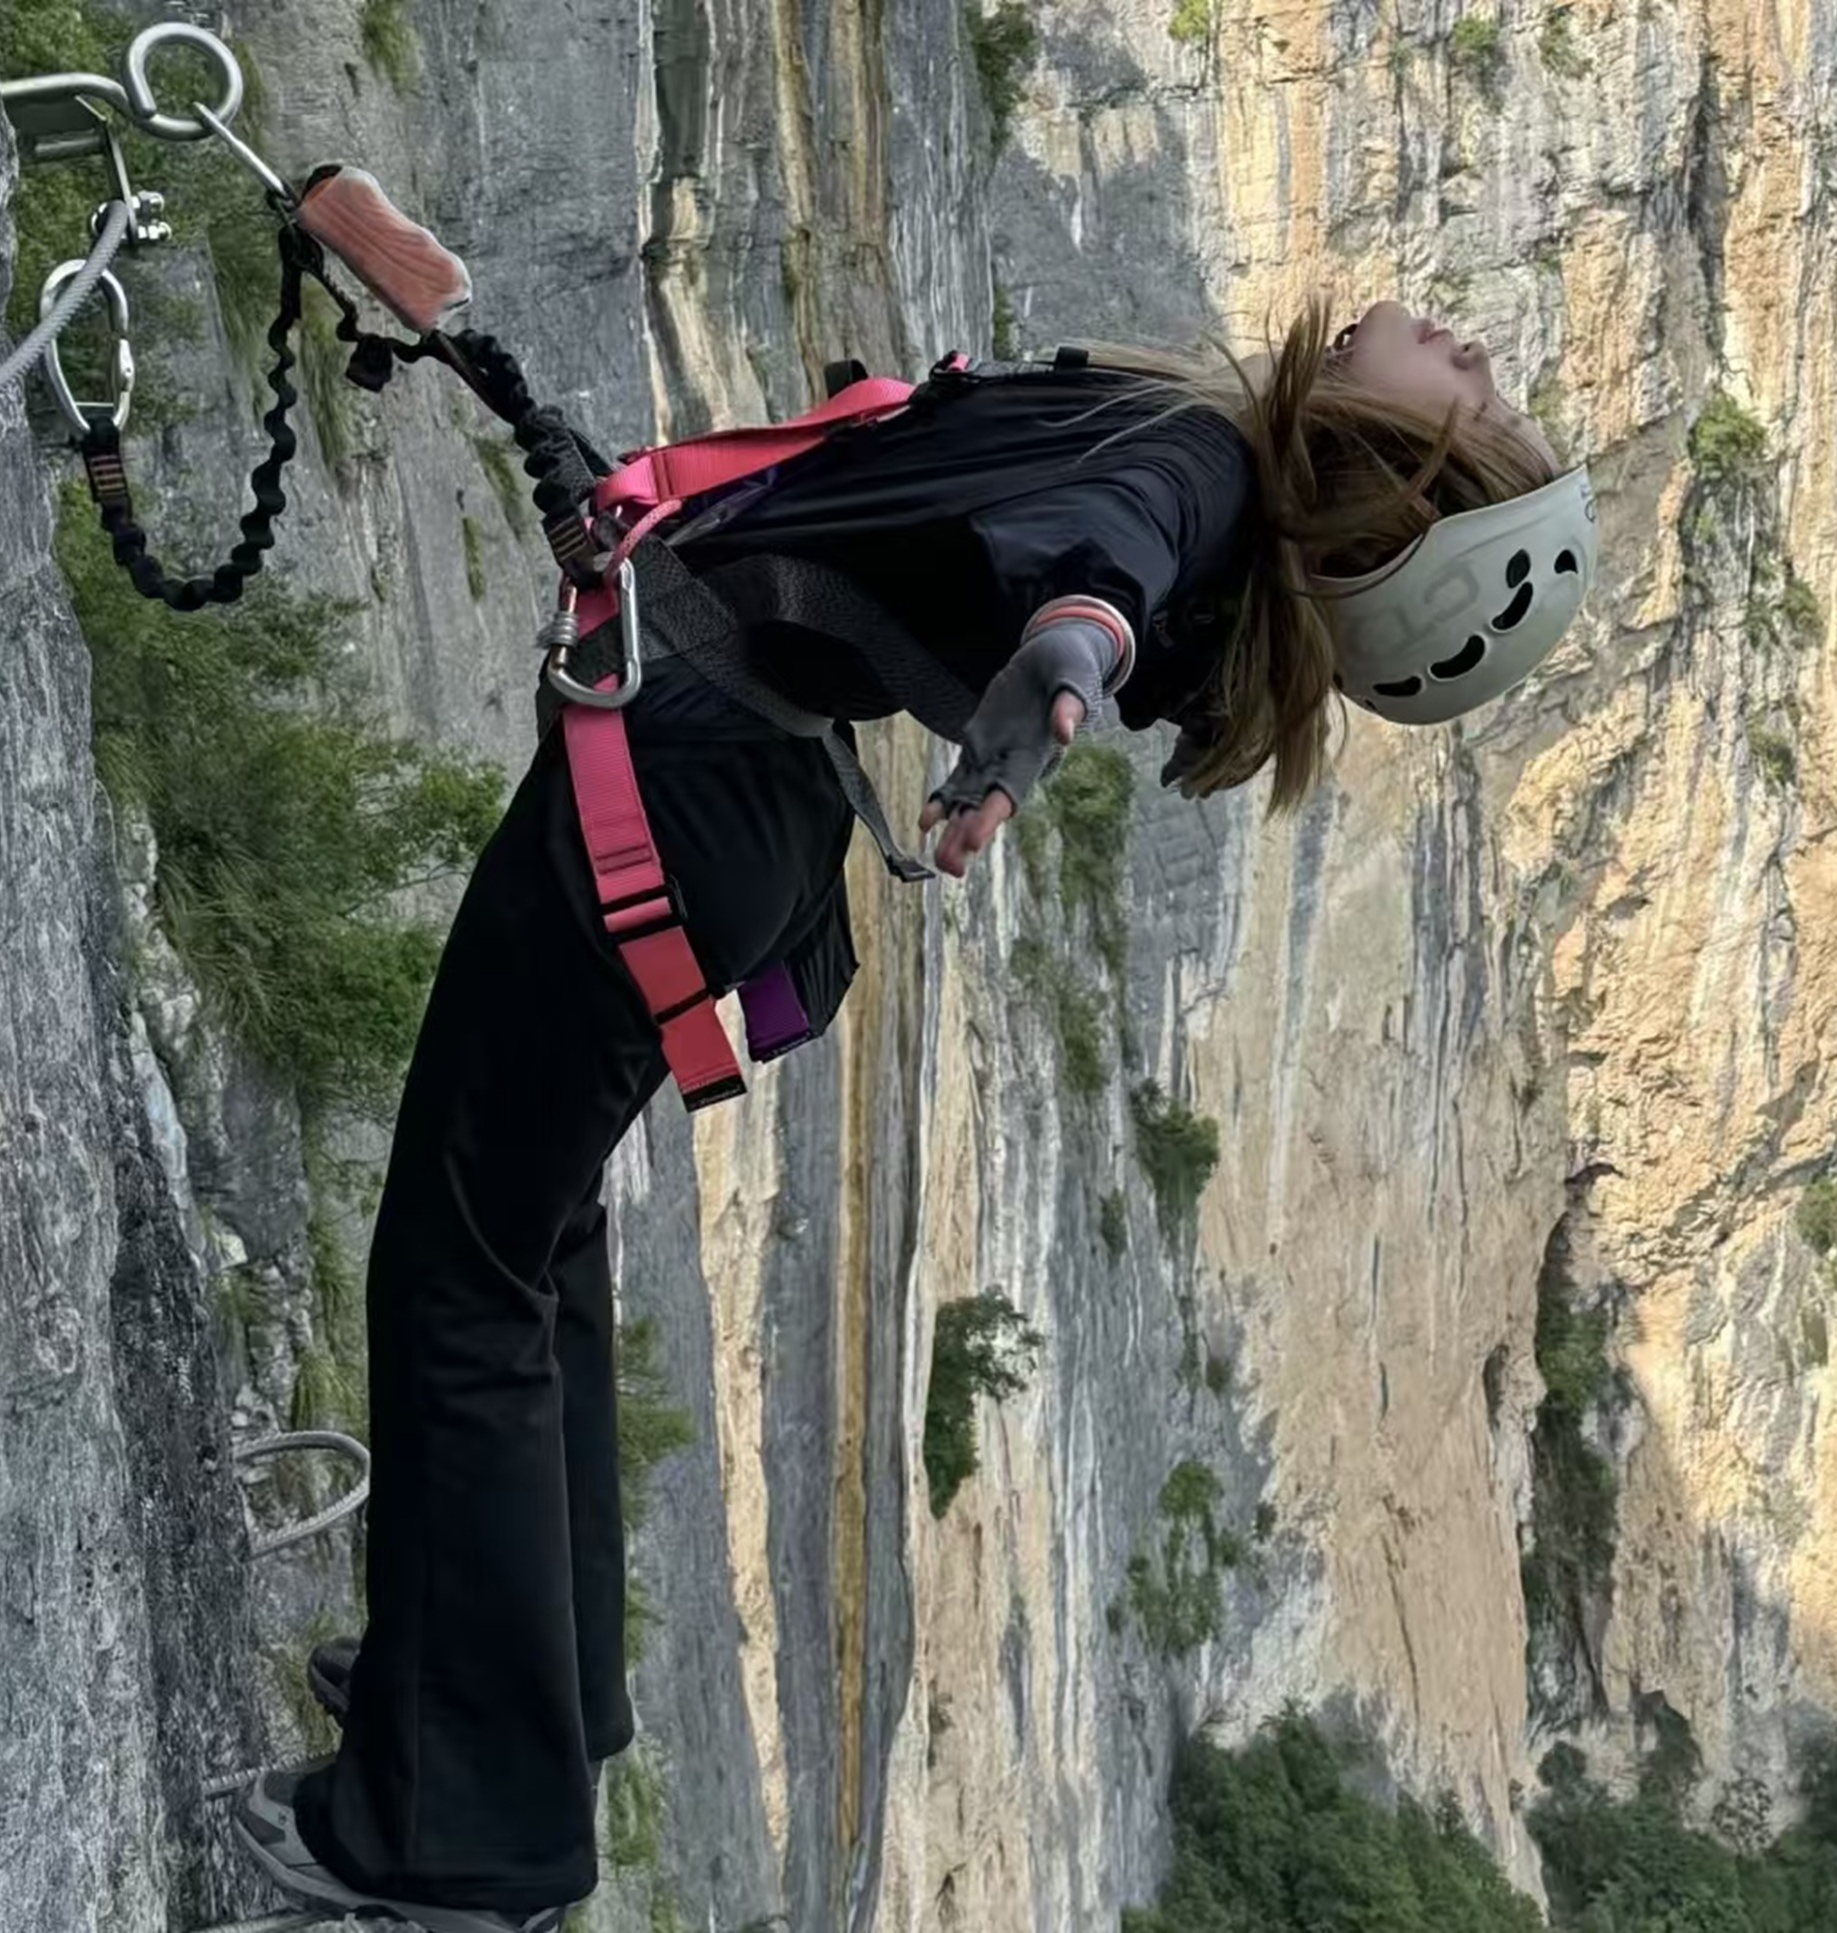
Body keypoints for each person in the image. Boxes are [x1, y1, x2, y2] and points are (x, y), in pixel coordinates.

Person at [229, 296, 1597, 1931]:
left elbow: (1108, 550)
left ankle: (466, 1833)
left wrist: (1072, 639)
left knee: (463, 1266)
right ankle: (514, 1701)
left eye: (1475, 390)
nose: (1470, 339)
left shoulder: (1185, 474)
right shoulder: (1202, 455)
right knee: (527, 1236)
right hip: (724, 791)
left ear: (1394, 476)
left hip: (690, 789)